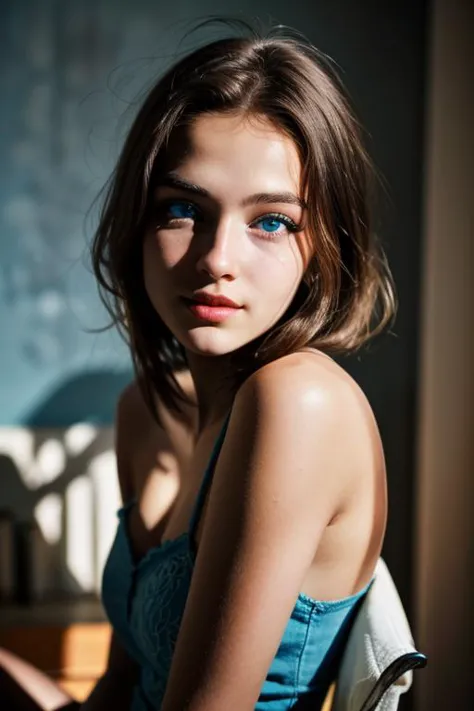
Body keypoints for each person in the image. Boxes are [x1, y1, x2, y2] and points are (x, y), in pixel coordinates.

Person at [0, 21, 395, 711]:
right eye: (184, 210)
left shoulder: (298, 403)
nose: (217, 260)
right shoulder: (145, 411)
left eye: (271, 221)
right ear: (138, 225)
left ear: (323, 245)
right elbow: (122, 686)